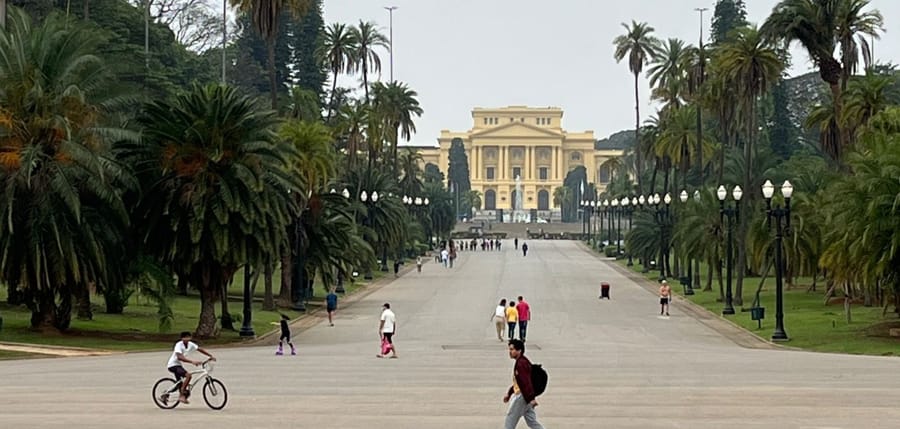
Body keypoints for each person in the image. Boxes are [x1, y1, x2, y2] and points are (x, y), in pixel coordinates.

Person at [165, 331, 216, 405]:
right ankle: (182, 393)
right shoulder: (178, 345)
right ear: (182, 338)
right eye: (185, 337)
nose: (187, 339)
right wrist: (192, 362)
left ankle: (167, 394)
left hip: (178, 365)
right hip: (173, 365)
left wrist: (210, 356)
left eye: (188, 337)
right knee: (188, 376)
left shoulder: (190, 344)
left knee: (179, 384)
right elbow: (180, 357)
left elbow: (199, 349)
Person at [503, 339, 544, 429]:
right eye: (509, 349)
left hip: (523, 397)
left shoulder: (521, 364)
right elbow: (519, 382)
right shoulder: (522, 361)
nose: (510, 352)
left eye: (512, 349)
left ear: (519, 350)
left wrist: (531, 399)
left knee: (510, 421)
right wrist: (509, 393)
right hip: (527, 396)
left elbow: (526, 382)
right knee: (532, 422)